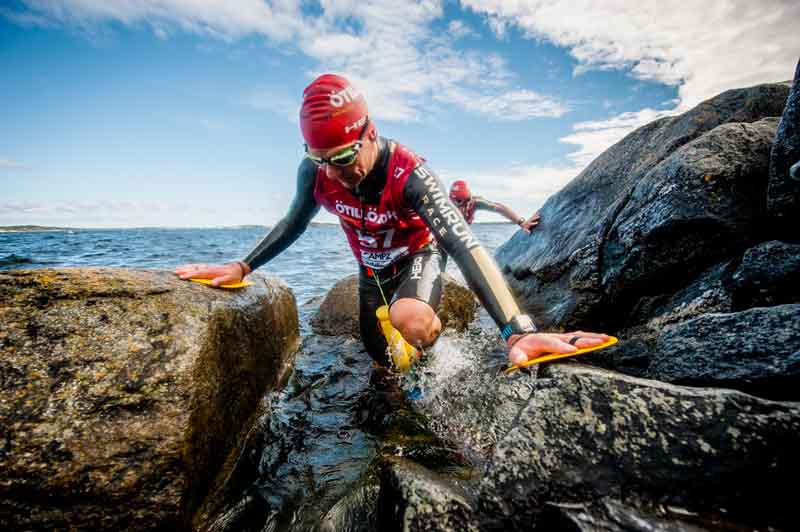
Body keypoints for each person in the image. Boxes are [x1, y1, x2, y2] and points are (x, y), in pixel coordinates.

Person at [175, 74, 608, 369]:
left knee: (410, 320)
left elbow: (462, 244)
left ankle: (434, 340)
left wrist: (518, 332)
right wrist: (242, 267)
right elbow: (294, 221)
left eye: (343, 158)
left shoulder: (409, 173)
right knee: (380, 360)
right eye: (319, 160)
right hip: (370, 272)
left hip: (418, 256)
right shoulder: (317, 174)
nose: (332, 173)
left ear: (369, 133)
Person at [449, 180, 541, 233]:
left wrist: (522, 223)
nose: (465, 206)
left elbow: (499, 208)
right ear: (452, 200)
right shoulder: (446, 206)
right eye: (459, 202)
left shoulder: (475, 202)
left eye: (468, 200)